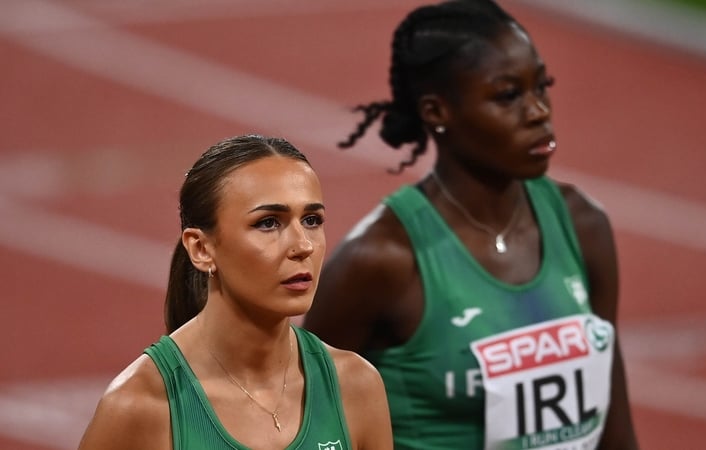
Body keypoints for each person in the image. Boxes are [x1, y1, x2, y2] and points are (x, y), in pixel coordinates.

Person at [303, 1, 639, 449]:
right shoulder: (382, 261)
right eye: (508, 96)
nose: (539, 111)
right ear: (437, 112)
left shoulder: (583, 225)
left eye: (542, 86)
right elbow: (304, 425)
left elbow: (613, 421)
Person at [78, 135, 393, 450]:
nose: (303, 246)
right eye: (268, 223)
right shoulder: (140, 406)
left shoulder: (354, 387)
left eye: (312, 220)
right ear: (201, 249)